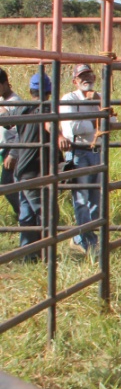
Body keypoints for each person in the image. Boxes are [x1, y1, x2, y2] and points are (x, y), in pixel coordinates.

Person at [58, 63, 102, 255]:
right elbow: (71, 129)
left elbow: (113, 122)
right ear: (75, 81)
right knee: (82, 199)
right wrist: (97, 118)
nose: (87, 79)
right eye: (82, 76)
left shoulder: (98, 97)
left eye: (89, 75)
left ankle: (83, 237)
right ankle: (86, 240)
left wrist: (98, 112)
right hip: (78, 152)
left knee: (95, 200)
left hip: (95, 151)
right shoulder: (69, 98)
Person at [14, 72, 53, 260]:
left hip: (20, 169)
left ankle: (29, 255)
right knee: (46, 213)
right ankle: (46, 253)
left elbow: (7, 122)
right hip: (35, 170)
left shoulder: (23, 108)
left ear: (31, 91)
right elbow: (50, 126)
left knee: (27, 214)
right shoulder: (48, 110)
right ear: (50, 92)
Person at [0, 67, 22, 220]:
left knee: (8, 185)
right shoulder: (3, 100)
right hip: (6, 148)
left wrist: (13, 153)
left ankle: (25, 214)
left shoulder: (15, 103)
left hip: (12, 149)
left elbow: (20, 131)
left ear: (5, 84)